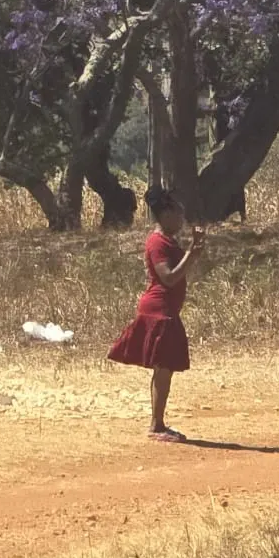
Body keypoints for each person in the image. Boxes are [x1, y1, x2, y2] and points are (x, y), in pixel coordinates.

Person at [106, 186, 205, 442]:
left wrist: (192, 251)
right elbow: (168, 277)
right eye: (178, 214)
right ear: (166, 214)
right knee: (163, 369)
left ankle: (158, 423)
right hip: (159, 311)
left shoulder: (168, 241)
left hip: (166, 310)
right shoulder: (157, 242)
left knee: (164, 368)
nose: (182, 219)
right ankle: (157, 425)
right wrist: (191, 254)